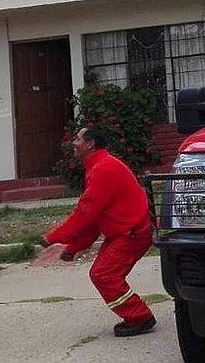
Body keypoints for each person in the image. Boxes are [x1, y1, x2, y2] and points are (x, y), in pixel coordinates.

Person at [35, 125, 156, 338]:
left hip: (131, 233)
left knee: (103, 275)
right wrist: (72, 248)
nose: (73, 143)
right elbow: (94, 220)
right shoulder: (100, 166)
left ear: (90, 144)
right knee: (104, 274)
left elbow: (85, 214)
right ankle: (137, 314)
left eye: (77, 139)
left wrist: (53, 238)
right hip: (128, 232)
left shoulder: (102, 169)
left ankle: (139, 316)